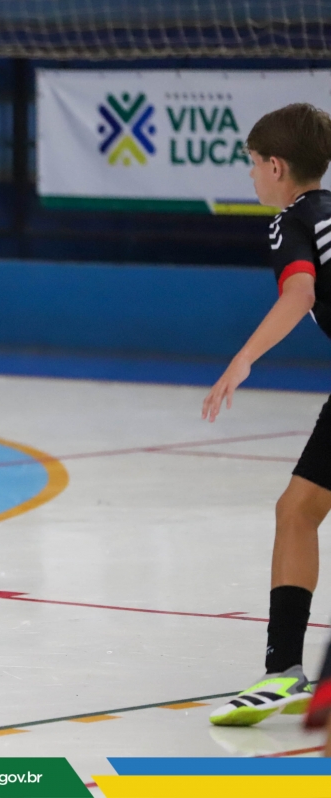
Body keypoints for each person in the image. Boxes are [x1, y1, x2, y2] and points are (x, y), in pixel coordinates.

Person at [203, 103, 331, 727]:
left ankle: (284, 671)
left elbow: (300, 291)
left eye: (252, 163)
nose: (251, 174)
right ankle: (286, 671)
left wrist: (244, 357)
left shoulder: (292, 221)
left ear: (276, 167)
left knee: (297, 512)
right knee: (298, 508)